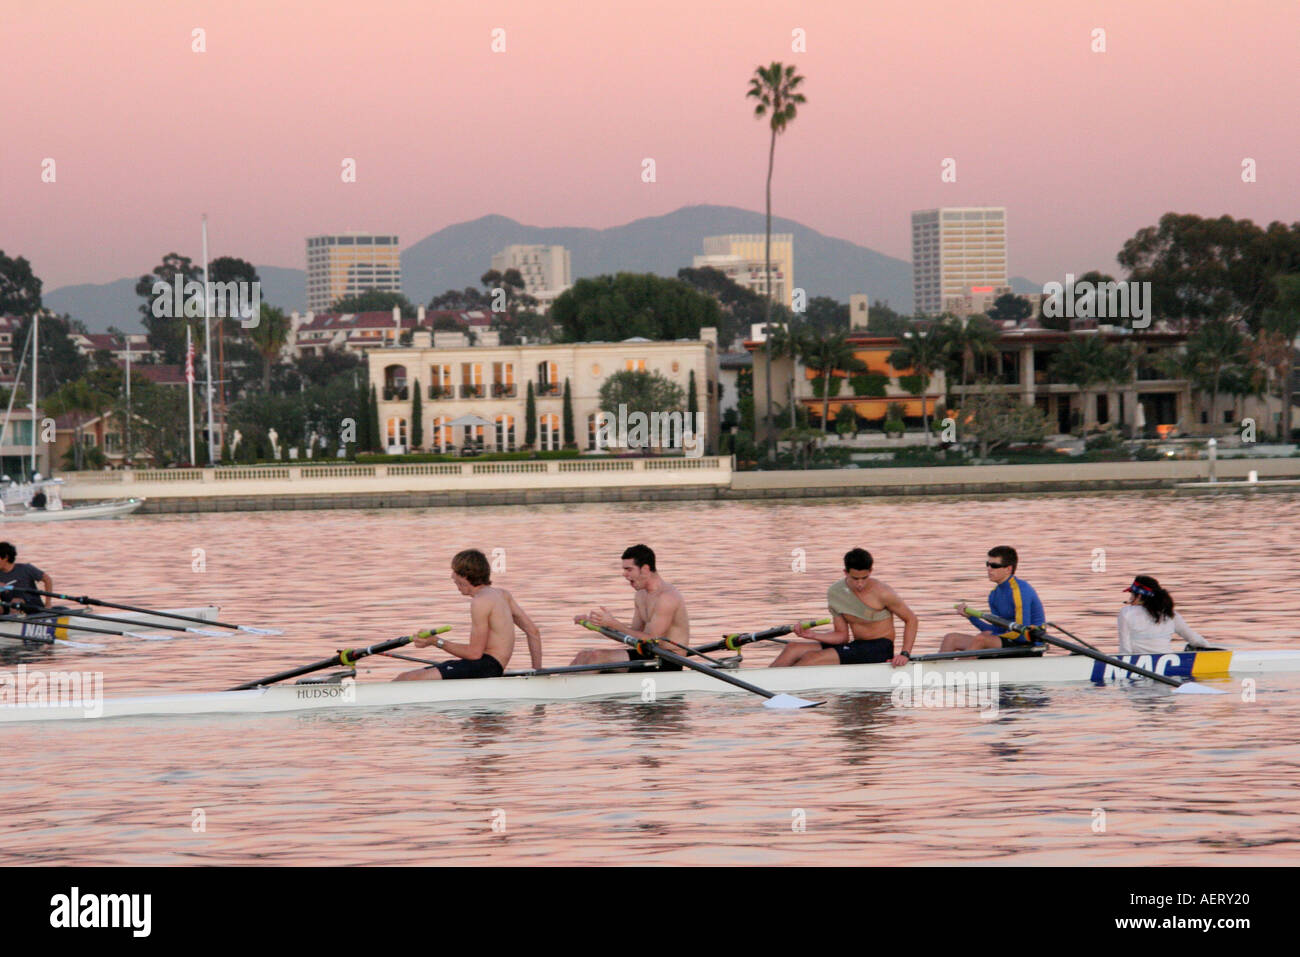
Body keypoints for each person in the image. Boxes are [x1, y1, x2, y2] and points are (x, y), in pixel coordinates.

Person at [394, 548, 542, 681]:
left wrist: (435, 641)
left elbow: (474, 653)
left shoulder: (480, 602)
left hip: (485, 666)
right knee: (407, 677)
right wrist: (536, 672)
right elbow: (533, 631)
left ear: (465, 576)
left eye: (455, 572)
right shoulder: (503, 594)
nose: (452, 576)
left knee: (406, 679)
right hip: (487, 666)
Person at [774, 548, 917, 667]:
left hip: (879, 648)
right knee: (792, 648)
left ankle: (783, 691)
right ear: (845, 572)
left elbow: (911, 619)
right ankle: (763, 685)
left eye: (864, 578)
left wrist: (904, 654)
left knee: (812, 658)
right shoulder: (836, 593)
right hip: (856, 645)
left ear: (870, 571)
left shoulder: (883, 592)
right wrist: (812, 635)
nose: (860, 584)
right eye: (855, 579)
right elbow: (841, 636)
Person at [570, 544, 690, 671]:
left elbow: (653, 640)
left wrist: (614, 623)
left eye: (629, 569)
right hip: (648, 654)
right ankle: (560, 686)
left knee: (596, 657)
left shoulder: (667, 598)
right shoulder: (640, 595)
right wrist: (599, 625)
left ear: (644, 569)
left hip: (668, 660)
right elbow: (631, 636)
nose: (624, 574)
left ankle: (568, 688)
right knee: (583, 656)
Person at [939, 545, 1045, 652]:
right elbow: (996, 630)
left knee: (982, 639)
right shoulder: (994, 595)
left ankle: (961, 667)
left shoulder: (1020, 590)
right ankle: (940, 668)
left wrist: (988, 638)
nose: (989, 569)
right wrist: (971, 617)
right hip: (1009, 640)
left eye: (994, 565)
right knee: (951, 638)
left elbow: (1023, 634)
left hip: (1029, 644)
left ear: (1008, 569)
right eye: (988, 564)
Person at [1117, 575, 1212, 655]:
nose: (1130, 598)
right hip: (1167, 661)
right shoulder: (1171, 614)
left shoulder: (1126, 612)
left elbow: (1125, 650)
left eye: (1132, 595)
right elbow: (1195, 640)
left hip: (1136, 666)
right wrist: (1208, 646)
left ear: (1139, 596)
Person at [0, 541, 53, 615]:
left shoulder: (26, 569)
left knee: (15, 602)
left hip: (32, 605)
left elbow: (47, 580)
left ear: (5, 557)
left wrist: (48, 604)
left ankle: (14, 623)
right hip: (9, 607)